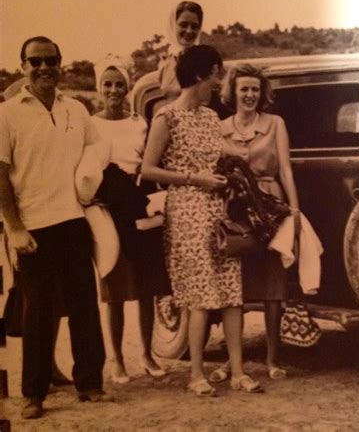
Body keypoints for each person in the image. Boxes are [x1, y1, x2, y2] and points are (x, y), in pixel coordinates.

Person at [0, 36, 113, 420]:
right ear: (23, 67)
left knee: (84, 306)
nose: (44, 67)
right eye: (36, 61)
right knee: (37, 312)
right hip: (33, 226)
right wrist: (14, 227)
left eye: (51, 60)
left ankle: (90, 383)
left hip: (74, 222)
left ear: (61, 64)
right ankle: (33, 393)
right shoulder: (7, 114)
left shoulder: (77, 110)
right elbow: (0, 175)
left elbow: (95, 156)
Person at [141, 45, 262, 396]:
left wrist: (230, 164)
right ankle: (196, 374)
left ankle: (238, 372)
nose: (218, 81)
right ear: (198, 75)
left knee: (230, 291)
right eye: (215, 74)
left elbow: (214, 157)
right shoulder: (167, 117)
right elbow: (148, 169)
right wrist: (196, 178)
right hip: (186, 213)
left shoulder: (210, 117)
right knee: (199, 293)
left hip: (217, 211)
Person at [213, 63, 301, 381]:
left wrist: (295, 210)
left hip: (269, 205)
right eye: (244, 89)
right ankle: (230, 361)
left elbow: (286, 170)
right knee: (233, 283)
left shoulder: (276, 124)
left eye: (254, 89)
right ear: (233, 93)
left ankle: (272, 359)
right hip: (234, 206)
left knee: (273, 283)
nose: (249, 95)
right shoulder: (220, 127)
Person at [92, 59, 167, 383]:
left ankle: (147, 354)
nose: (113, 90)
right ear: (99, 88)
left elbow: (149, 161)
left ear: (126, 87)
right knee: (115, 290)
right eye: (107, 84)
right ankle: (117, 360)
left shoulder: (139, 123)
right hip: (108, 209)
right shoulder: (90, 124)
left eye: (118, 84)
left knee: (147, 287)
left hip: (139, 205)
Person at [131, 1, 203, 113]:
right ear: (173, 26)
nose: (189, 31)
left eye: (194, 26)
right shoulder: (166, 62)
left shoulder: (205, 59)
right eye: (184, 25)